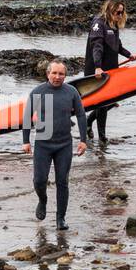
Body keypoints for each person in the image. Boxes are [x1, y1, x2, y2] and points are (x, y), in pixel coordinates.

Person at [21, 59, 87, 230]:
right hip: (43, 144)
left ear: (65, 75)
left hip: (64, 144)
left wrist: (83, 140)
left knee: (62, 182)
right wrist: (26, 141)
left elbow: (80, 115)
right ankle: (42, 200)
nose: (57, 77)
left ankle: (61, 219)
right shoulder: (38, 91)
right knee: (39, 181)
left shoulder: (71, 92)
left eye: (61, 74)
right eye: (54, 73)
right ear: (47, 74)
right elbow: (27, 117)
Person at [84, 0, 135, 145]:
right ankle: (102, 136)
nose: (120, 15)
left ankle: (89, 121)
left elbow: (116, 46)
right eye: (117, 12)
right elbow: (97, 47)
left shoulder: (113, 25)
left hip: (111, 69)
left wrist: (128, 55)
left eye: (122, 12)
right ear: (109, 10)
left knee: (111, 102)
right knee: (103, 103)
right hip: (97, 69)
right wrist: (98, 66)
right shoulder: (98, 24)